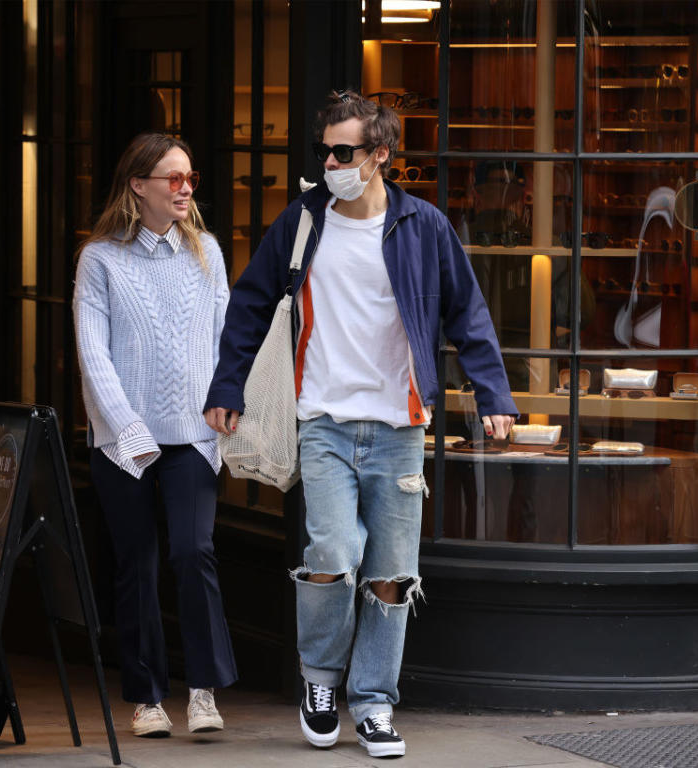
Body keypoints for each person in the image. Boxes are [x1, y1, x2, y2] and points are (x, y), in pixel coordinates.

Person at [204, 90, 517, 758]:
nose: (330, 162)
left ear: (380, 156)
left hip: (400, 426)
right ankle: (319, 680)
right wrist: (226, 386)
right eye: (324, 150)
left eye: (344, 152)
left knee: (391, 576)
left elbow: (468, 313)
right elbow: (249, 305)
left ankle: (374, 703)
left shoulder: (423, 226)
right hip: (323, 422)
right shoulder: (302, 223)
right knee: (333, 559)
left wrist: (494, 395)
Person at [73, 131, 237, 738]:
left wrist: (227, 399)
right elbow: (94, 355)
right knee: (136, 563)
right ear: (138, 186)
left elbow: (227, 338)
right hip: (122, 441)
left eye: (189, 178)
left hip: (194, 435)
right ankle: (146, 697)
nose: (185, 188)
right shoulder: (101, 259)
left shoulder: (208, 253)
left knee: (193, 552)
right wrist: (127, 429)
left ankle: (202, 689)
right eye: (173, 178)